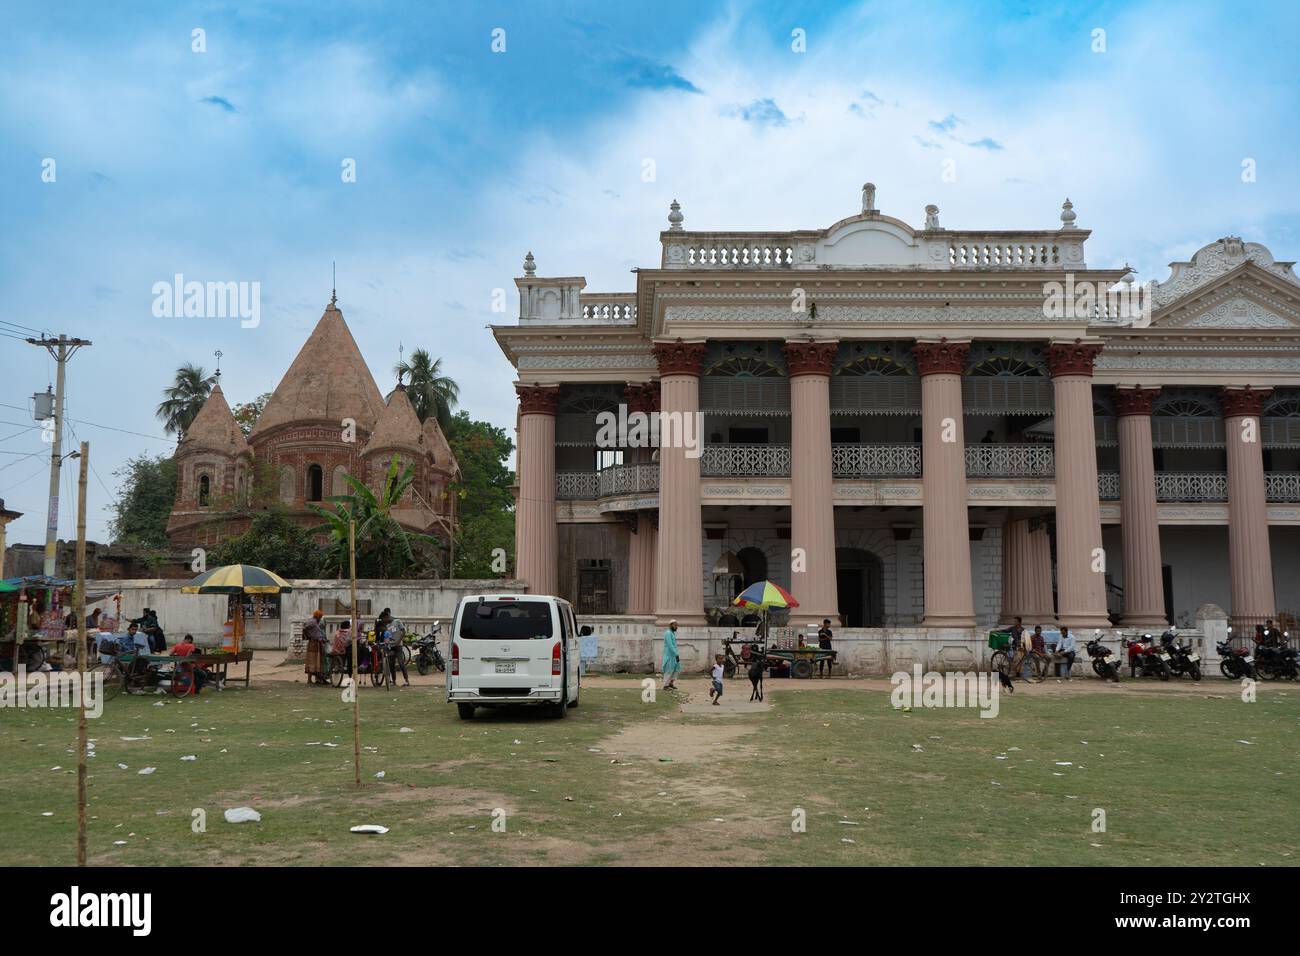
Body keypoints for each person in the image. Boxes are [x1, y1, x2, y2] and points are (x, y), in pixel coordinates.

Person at [302, 609, 327, 684]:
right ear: (318, 616)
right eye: (320, 616)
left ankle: (314, 679)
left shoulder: (314, 621)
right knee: (313, 660)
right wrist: (307, 636)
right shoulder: (313, 622)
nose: (320, 618)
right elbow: (305, 628)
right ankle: (310, 679)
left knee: (313, 661)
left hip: (315, 643)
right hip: (314, 643)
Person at [661, 620, 681, 690]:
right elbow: (670, 645)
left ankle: (671, 683)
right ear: (670, 625)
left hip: (674, 655)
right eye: (675, 625)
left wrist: (676, 654)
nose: (676, 627)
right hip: (669, 655)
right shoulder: (668, 633)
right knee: (668, 670)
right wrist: (676, 654)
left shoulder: (672, 633)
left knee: (676, 669)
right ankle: (665, 685)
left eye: (677, 625)